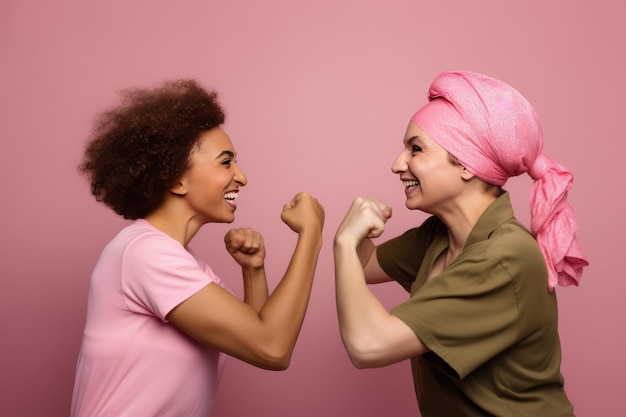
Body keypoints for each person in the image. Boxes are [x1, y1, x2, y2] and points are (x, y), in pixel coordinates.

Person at [333, 71, 588, 416]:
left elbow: (368, 344)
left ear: (467, 164)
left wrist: (346, 241)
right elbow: (363, 267)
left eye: (416, 149)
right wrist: (352, 231)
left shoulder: (505, 258)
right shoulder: (440, 235)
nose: (397, 164)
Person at [71, 79, 325, 417]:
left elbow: (252, 334)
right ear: (177, 178)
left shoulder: (177, 261)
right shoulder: (146, 254)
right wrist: (311, 234)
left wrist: (253, 270)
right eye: (225, 162)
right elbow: (271, 348)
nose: (242, 177)